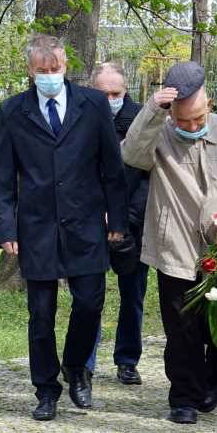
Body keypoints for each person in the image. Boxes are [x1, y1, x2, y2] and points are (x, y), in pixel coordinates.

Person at [122, 61, 217, 425]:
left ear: (210, 104)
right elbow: (131, 154)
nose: (190, 126)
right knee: (181, 328)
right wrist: (152, 110)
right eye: (183, 120)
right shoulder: (159, 132)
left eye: (198, 118)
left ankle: (213, 378)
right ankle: (183, 398)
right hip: (174, 246)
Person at [0, 34, 128, 421]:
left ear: (66, 66)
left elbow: (111, 168)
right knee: (41, 314)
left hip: (85, 224)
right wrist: (6, 229)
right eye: (42, 70)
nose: (50, 75)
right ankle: (45, 389)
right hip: (36, 227)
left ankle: (76, 367)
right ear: (30, 70)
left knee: (89, 303)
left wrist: (117, 220)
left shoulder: (93, 104)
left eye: (55, 68)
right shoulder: (13, 110)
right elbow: (2, 176)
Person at [86, 62, 150, 385]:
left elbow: (148, 178)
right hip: (91, 221)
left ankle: (127, 360)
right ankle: (85, 360)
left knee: (133, 295)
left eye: (116, 93)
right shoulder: (81, 118)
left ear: (126, 91)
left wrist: (123, 217)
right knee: (88, 297)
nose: (111, 99)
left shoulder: (142, 119)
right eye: (104, 94)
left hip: (132, 224)